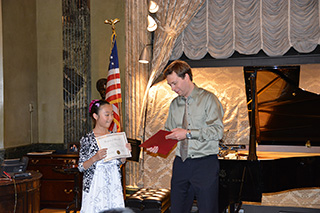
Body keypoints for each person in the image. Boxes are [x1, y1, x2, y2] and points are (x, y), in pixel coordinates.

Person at [147, 60, 224, 213]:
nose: (173, 88)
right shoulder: (174, 104)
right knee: (177, 209)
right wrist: (159, 146)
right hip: (181, 164)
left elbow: (217, 132)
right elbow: (169, 133)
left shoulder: (209, 99)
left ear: (187, 77)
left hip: (205, 164)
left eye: (175, 83)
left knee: (207, 210)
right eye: (170, 85)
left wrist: (188, 134)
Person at [78, 99, 131, 213]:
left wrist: (125, 154)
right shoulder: (88, 139)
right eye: (107, 115)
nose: (111, 118)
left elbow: (119, 163)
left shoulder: (115, 137)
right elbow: (81, 167)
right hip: (95, 185)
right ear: (95, 116)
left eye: (112, 114)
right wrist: (95, 158)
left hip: (113, 184)